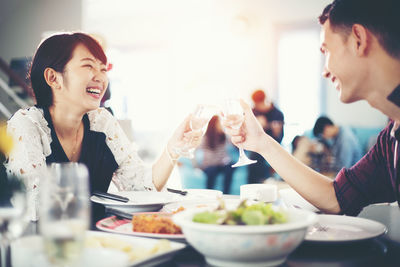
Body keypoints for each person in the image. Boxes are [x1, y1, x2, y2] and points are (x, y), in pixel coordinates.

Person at [223, 0, 400, 216]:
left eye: (326, 51)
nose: (325, 71)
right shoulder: (390, 140)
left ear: (358, 40)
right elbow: (338, 198)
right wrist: (262, 143)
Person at [4, 32, 202, 223]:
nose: (100, 77)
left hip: (100, 241)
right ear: (53, 78)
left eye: (103, 69)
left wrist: (173, 148)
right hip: (48, 246)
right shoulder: (27, 125)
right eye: (88, 66)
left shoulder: (101, 121)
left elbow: (143, 188)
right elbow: (36, 207)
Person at [248, 89, 284, 183]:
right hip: (256, 146)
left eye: (257, 104)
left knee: (262, 156)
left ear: (264, 101)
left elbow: (279, 139)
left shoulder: (277, 114)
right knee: (255, 156)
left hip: (272, 145)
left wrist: (276, 132)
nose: (255, 106)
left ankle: (264, 182)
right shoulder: (253, 112)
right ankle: (254, 185)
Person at [197, 116, 234, 194]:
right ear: (213, 125)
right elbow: (195, 148)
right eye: (219, 123)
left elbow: (233, 144)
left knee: (229, 167)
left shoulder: (224, 137)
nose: (221, 126)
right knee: (212, 170)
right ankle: (209, 193)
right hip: (210, 166)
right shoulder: (206, 138)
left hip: (221, 164)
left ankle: (226, 193)